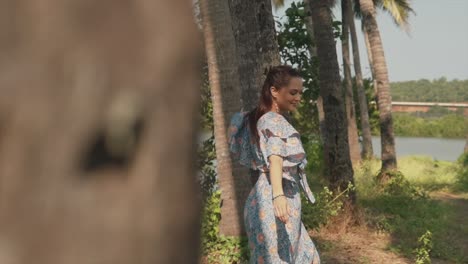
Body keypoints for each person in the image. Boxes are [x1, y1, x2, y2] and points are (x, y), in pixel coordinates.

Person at [229, 65, 320, 263]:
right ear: (274, 91)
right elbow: (275, 159)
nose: (298, 98)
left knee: (305, 256)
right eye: (293, 92)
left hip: (266, 201)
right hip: (274, 204)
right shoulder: (273, 121)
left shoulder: (262, 119)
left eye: (300, 93)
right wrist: (278, 196)